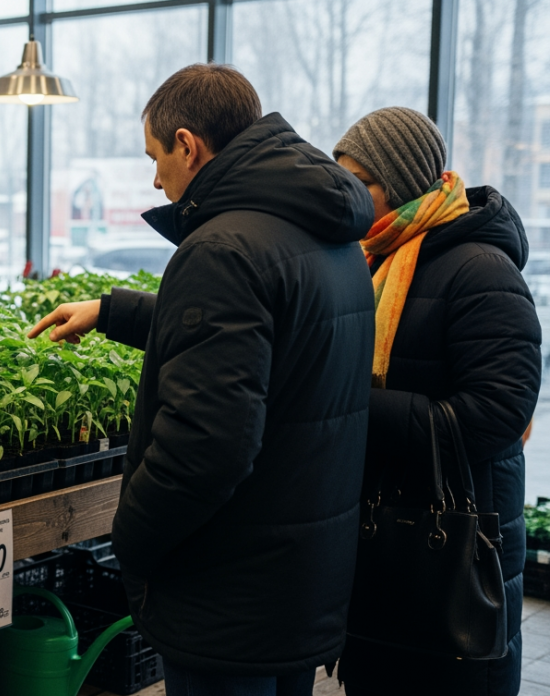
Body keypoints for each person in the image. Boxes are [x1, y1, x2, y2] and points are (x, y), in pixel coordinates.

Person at [28, 63, 377, 695]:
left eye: (155, 157)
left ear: (188, 146)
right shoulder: (329, 233)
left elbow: (207, 447)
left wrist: (130, 539)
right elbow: (268, 337)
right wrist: (112, 310)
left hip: (229, 593)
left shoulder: (222, 248)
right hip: (302, 579)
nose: (154, 179)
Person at [331, 107, 540, 696]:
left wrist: (351, 409)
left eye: (359, 182)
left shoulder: (481, 270)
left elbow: (500, 416)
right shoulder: (370, 261)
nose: (345, 196)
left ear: (397, 184)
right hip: (390, 543)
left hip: (458, 551)